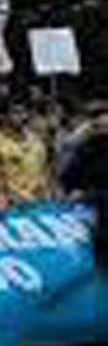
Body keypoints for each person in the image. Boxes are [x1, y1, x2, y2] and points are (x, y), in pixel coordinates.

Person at [58, 99, 108, 272]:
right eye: (95, 117)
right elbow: (68, 176)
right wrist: (74, 191)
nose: (100, 121)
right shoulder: (84, 147)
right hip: (97, 214)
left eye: (103, 115)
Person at [0, 104, 51, 206]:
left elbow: (44, 169)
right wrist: (5, 193)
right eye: (16, 113)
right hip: (7, 201)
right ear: (3, 117)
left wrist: (45, 191)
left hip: (36, 199)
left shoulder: (36, 141)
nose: (21, 116)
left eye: (23, 112)